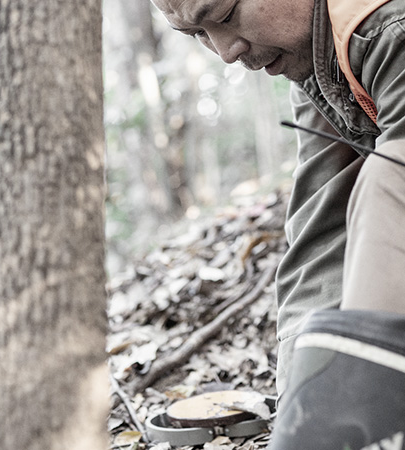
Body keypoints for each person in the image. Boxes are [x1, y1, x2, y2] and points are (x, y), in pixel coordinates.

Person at [148, 0, 405, 448]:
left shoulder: (387, 25)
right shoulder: (316, 52)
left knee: (390, 177)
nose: (226, 51)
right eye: (198, 35)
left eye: (225, 17)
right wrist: (300, 401)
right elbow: (322, 232)